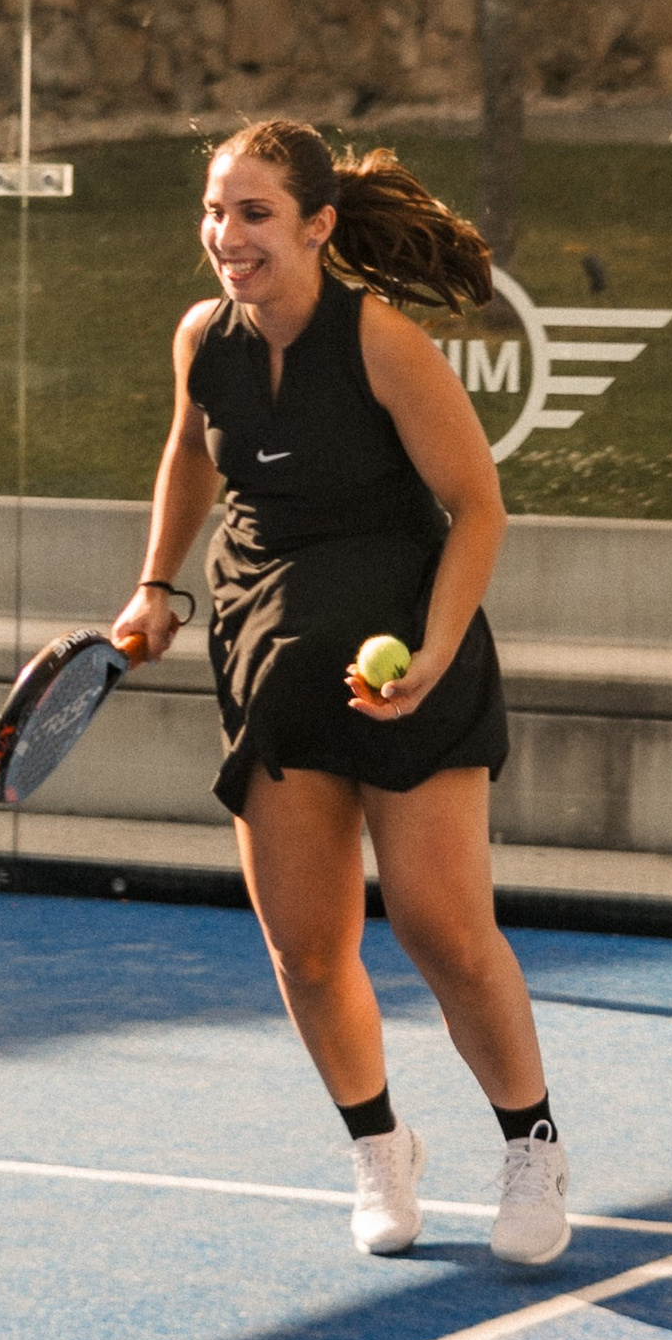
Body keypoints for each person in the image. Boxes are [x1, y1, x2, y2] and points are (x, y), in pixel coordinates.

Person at [112, 118, 569, 1271]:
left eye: (253, 213)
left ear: (317, 226)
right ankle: (379, 1145)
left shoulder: (382, 345)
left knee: (441, 931)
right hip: (268, 656)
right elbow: (189, 451)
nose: (226, 234)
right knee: (307, 950)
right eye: (214, 210)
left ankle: (531, 1147)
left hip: (409, 654)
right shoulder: (203, 339)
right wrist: (156, 584)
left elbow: (478, 506)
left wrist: (435, 651)